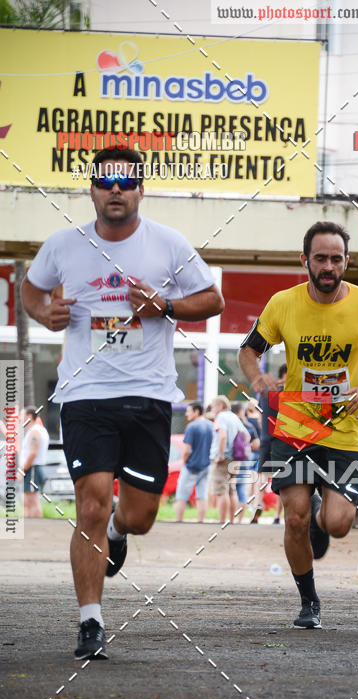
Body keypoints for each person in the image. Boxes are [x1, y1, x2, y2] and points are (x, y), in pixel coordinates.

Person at [21, 147, 224, 660]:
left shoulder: (167, 244)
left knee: (138, 516)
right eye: (106, 181)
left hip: (149, 394)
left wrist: (166, 305)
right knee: (90, 503)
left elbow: (213, 300)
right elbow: (30, 289)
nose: (116, 189)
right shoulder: (64, 245)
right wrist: (46, 314)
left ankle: (118, 531)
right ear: (91, 189)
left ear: (139, 190)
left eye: (126, 181)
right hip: (85, 393)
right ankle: (91, 621)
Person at [239, 221, 358, 629]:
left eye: (335, 258)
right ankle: (308, 600)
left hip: (347, 426)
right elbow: (249, 350)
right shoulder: (283, 303)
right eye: (320, 258)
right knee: (293, 516)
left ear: (346, 262)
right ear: (305, 261)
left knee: (337, 524)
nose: (328, 266)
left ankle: (319, 513)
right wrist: (258, 378)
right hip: (295, 423)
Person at [250, 363, 287, 525]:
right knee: (284, 478)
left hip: (266, 437)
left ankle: (258, 503)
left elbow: (260, 417)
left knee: (262, 475)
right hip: (283, 439)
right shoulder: (290, 391)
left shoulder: (265, 392)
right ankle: (278, 515)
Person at [209, 395, 248, 524]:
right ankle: (231, 521)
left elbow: (222, 436)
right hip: (236, 458)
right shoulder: (234, 417)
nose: (212, 409)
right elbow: (246, 435)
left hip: (224, 458)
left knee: (221, 491)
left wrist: (220, 455)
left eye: (214, 406)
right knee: (232, 490)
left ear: (220, 406)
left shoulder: (221, 417)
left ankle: (222, 521)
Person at [174, 401, 214, 523]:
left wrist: (184, 463)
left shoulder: (192, 426)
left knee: (181, 495)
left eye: (188, 411)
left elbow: (186, 450)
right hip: (207, 466)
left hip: (192, 466)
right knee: (202, 495)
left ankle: (179, 520)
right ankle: (200, 521)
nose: (186, 414)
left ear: (196, 412)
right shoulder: (211, 425)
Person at [231, 400, 257, 522]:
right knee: (242, 490)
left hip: (231, 460)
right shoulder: (249, 426)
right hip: (246, 460)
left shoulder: (231, 424)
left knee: (231, 491)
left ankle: (230, 518)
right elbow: (257, 444)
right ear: (241, 411)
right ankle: (240, 520)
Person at [21, 407, 49, 518]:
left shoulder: (35, 432)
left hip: (32, 468)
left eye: (22, 415)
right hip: (32, 468)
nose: (20, 418)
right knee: (28, 501)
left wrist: (22, 470)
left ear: (29, 417)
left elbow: (33, 453)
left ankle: (34, 529)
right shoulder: (36, 430)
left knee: (32, 501)